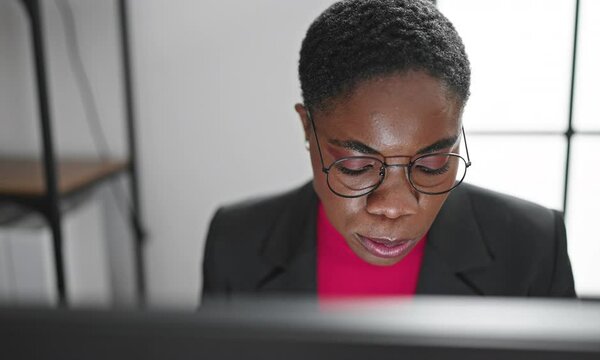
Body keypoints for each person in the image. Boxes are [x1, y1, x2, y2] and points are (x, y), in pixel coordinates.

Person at [202, 0, 576, 298]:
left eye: (432, 164)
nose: (395, 206)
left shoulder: (534, 248)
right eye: (356, 166)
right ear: (307, 127)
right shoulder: (236, 241)